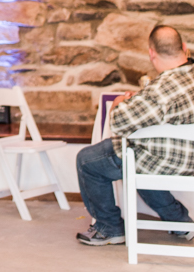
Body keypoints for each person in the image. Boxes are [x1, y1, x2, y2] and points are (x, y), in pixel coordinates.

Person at [76, 25, 194, 246]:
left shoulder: (162, 90)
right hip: (188, 159)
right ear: (184, 48)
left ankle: (109, 227)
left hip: (167, 160)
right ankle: (179, 222)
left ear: (151, 53)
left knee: (88, 159)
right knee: (143, 157)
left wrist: (119, 103)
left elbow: (119, 122)